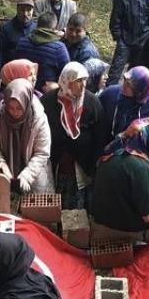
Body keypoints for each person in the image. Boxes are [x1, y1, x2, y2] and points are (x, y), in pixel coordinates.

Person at [41, 62, 104, 208]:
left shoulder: (92, 102)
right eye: (78, 81)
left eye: (84, 80)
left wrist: (94, 164)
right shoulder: (49, 101)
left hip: (82, 165)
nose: (83, 85)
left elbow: (100, 136)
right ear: (66, 81)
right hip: (54, 162)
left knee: (77, 207)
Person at [0, 78, 53, 193]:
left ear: (27, 103)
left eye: (19, 108)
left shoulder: (38, 120)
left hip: (35, 174)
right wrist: (0, 163)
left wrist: (27, 175)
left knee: (32, 207)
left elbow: (42, 152)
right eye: (10, 108)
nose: (14, 112)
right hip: (5, 174)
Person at [108, 0, 149, 85]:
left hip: (141, 41)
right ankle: (109, 94)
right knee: (115, 71)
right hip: (125, 41)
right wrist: (119, 38)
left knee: (136, 72)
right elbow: (115, 22)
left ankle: (131, 94)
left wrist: (148, 35)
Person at [14, 12, 70, 93]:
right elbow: (66, 75)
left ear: (37, 25)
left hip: (23, 91)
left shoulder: (22, 42)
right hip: (47, 95)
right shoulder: (59, 48)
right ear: (55, 28)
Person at [0, 0, 36, 91]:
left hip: (30, 74)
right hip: (10, 74)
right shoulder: (5, 29)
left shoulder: (36, 28)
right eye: (22, 10)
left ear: (33, 11)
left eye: (28, 10)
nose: (25, 13)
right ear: (17, 10)